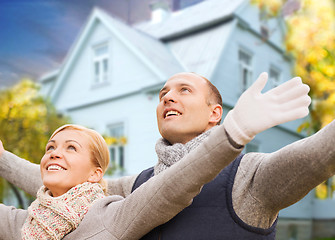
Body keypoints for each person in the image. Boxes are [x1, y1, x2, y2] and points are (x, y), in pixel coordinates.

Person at [2, 71, 331, 239]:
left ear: (215, 113)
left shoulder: (249, 176)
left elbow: (318, 155)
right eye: (163, 94)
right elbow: (64, 179)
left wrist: (239, 129)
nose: (168, 98)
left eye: (184, 90)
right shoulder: (138, 185)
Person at [1, 123, 243, 239]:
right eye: (50, 147)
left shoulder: (110, 216)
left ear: (95, 174)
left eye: (71, 148)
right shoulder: (24, 223)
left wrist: (234, 134)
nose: (54, 153)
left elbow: (171, 186)